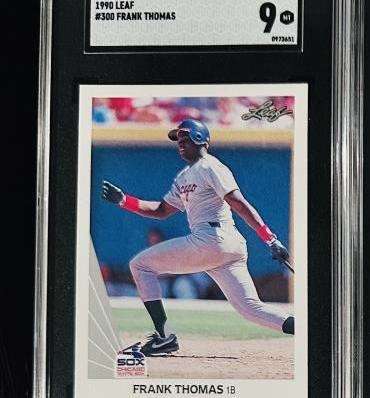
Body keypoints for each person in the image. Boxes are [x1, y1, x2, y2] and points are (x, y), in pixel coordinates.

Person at [100, 117, 294, 357]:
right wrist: (124, 200)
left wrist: (270, 238)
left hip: (213, 238)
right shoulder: (184, 177)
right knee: (250, 309)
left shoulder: (211, 166)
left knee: (140, 265)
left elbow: (238, 203)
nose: (180, 143)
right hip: (223, 246)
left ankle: (164, 337)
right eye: (177, 139)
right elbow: (161, 210)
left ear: (201, 139)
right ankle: (307, 330)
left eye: (185, 137)